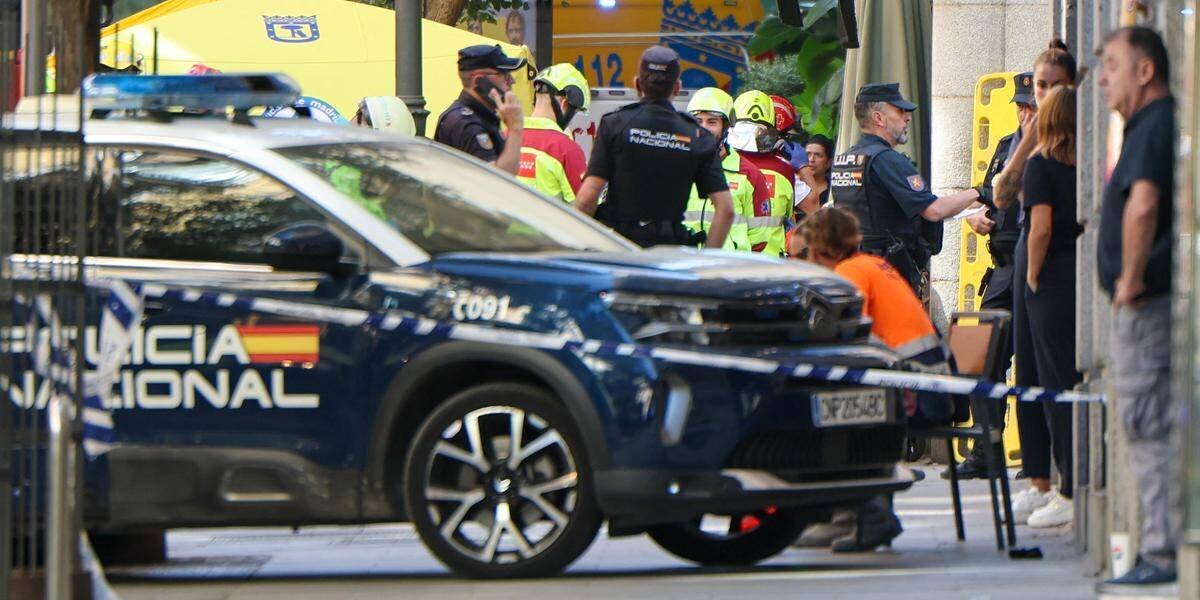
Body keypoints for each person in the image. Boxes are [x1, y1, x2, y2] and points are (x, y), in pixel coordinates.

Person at [796, 205, 952, 551]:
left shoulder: (849, 274)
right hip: (927, 382)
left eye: (807, 252)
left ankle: (866, 515)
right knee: (833, 408)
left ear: (821, 249)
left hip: (918, 392)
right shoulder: (869, 264)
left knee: (832, 414)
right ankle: (843, 515)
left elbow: (850, 340)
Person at [1096, 26, 1177, 589]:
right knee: (1151, 424)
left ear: (1145, 71)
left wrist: (1128, 280)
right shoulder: (1149, 125)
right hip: (1148, 305)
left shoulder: (1153, 125)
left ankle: (1161, 551)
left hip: (1146, 307)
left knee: (1147, 426)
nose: (1103, 78)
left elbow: (1143, 205)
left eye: (1112, 65)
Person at [989, 41, 1078, 520]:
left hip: (1051, 258)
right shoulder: (1031, 142)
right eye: (1039, 86)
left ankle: (1062, 483)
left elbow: (1037, 219)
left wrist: (1033, 273)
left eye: (1052, 87)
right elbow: (1001, 193)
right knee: (1027, 369)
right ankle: (1040, 477)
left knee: (1053, 371)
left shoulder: (1066, 146)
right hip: (1027, 249)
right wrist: (1027, 139)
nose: (1043, 96)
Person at [944, 71, 1036, 482]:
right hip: (1001, 269)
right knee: (982, 358)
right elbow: (985, 195)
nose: (1024, 113)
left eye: (1031, 107)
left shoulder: (1054, 148)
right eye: (1020, 106)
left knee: (1034, 366)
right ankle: (987, 451)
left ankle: (1038, 457)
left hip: (1034, 267)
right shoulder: (1005, 146)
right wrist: (977, 217)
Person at [574, 46, 734, 249]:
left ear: (637, 84)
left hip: (621, 249)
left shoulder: (614, 124)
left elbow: (587, 199)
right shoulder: (697, 136)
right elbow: (726, 209)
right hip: (669, 253)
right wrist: (707, 257)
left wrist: (580, 249)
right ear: (677, 87)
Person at [830, 83, 983, 294]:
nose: (907, 118)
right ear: (878, 118)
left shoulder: (846, 159)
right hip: (887, 274)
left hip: (853, 270)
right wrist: (980, 191)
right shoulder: (886, 160)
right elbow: (934, 210)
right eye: (900, 111)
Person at [1012, 85, 1080, 530]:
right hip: (1077, 278)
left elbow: (1040, 228)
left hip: (1050, 280)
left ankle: (1067, 488)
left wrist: (1032, 276)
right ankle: (1068, 483)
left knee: (1052, 384)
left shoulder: (1041, 164)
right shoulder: (1081, 164)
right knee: (1070, 382)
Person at [681, 87, 771, 251]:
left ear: (726, 126)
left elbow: (759, 238)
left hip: (728, 264)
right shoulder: (678, 167)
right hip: (684, 263)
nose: (704, 128)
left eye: (712, 122)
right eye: (698, 121)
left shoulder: (749, 174)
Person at [433, 44, 527, 175]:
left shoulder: (483, 115)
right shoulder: (465, 123)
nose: (511, 81)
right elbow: (498, 179)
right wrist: (515, 128)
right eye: (504, 75)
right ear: (479, 80)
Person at [728, 90, 793, 256]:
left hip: (730, 260)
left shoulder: (721, 165)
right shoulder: (785, 170)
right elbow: (789, 216)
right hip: (772, 262)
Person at [517, 63, 590, 203]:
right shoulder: (566, 150)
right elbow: (587, 204)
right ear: (564, 104)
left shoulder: (507, 135)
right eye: (574, 112)